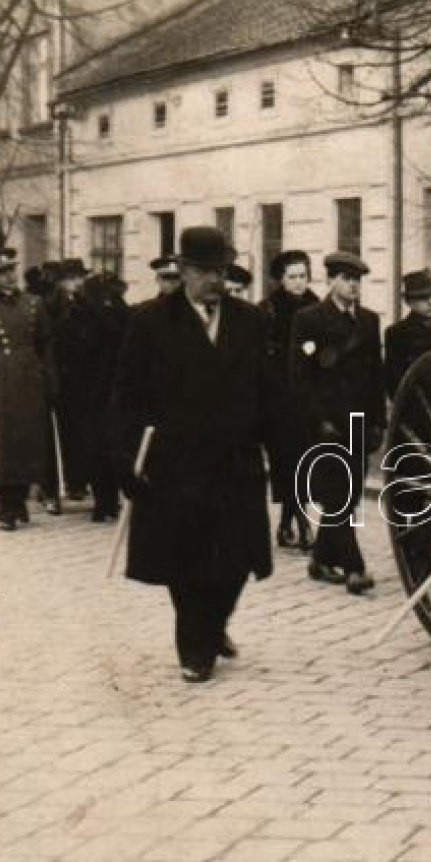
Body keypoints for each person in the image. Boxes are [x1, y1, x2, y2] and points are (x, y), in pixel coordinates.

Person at [111, 227, 282, 684]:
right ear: (183, 271)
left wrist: (281, 449)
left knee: (238, 559)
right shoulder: (149, 321)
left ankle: (214, 623)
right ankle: (195, 648)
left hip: (236, 460)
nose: (214, 280)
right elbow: (127, 395)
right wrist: (127, 461)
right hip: (175, 464)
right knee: (185, 562)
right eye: (205, 271)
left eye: (221, 271)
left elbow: (269, 390)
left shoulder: (249, 319)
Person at [289, 251, 384, 594]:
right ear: (330, 280)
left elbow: (376, 376)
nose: (353, 285)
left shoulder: (370, 321)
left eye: (357, 279)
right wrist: (318, 420)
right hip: (326, 423)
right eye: (346, 278)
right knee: (339, 492)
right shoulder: (309, 319)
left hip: (358, 421)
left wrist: (378, 422)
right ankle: (354, 567)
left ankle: (320, 559)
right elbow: (300, 377)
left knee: (349, 492)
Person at [0, 249, 58, 529]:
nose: (9, 277)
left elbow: (46, 345)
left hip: (30, 381)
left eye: (11, 271)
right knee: (2, 445)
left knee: (27, 443)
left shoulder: (33, 303)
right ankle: (5, 507)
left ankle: (20, 501)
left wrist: (51, 382)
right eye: (2, 273)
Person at [57, 270, 130, 522]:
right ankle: (109, 502)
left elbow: (69, 352)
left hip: (90, 393)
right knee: (110, 448)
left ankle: (103, 503)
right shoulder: (122, 313)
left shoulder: (80, 315)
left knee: (95, 448)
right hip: (107, 392)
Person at [259, 249, 318, 551]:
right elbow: (262, 361)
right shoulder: (268, 310)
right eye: (292, 277)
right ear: (281, 280)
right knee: (286, 462)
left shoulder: (316, 306)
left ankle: (285, 525)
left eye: (303, 276)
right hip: (278, 403)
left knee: (303, 462)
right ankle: (304, 524)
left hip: (308, 401)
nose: (298, 282)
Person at [46, 258, 90, 508]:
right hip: (59, 377)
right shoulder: (50, 305)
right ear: (61, 282)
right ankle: (52, 488)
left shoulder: (84, 304)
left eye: (79, 278)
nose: (77, 283)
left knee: (78, 431)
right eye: (72, 279)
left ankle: (77, 481)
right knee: (57, 433)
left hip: (80, 378)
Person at [384, 268, 431, 399]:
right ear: (409, 302)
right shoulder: (397, 334)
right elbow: (395, 385)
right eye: (423, 297)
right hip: (418, 412)